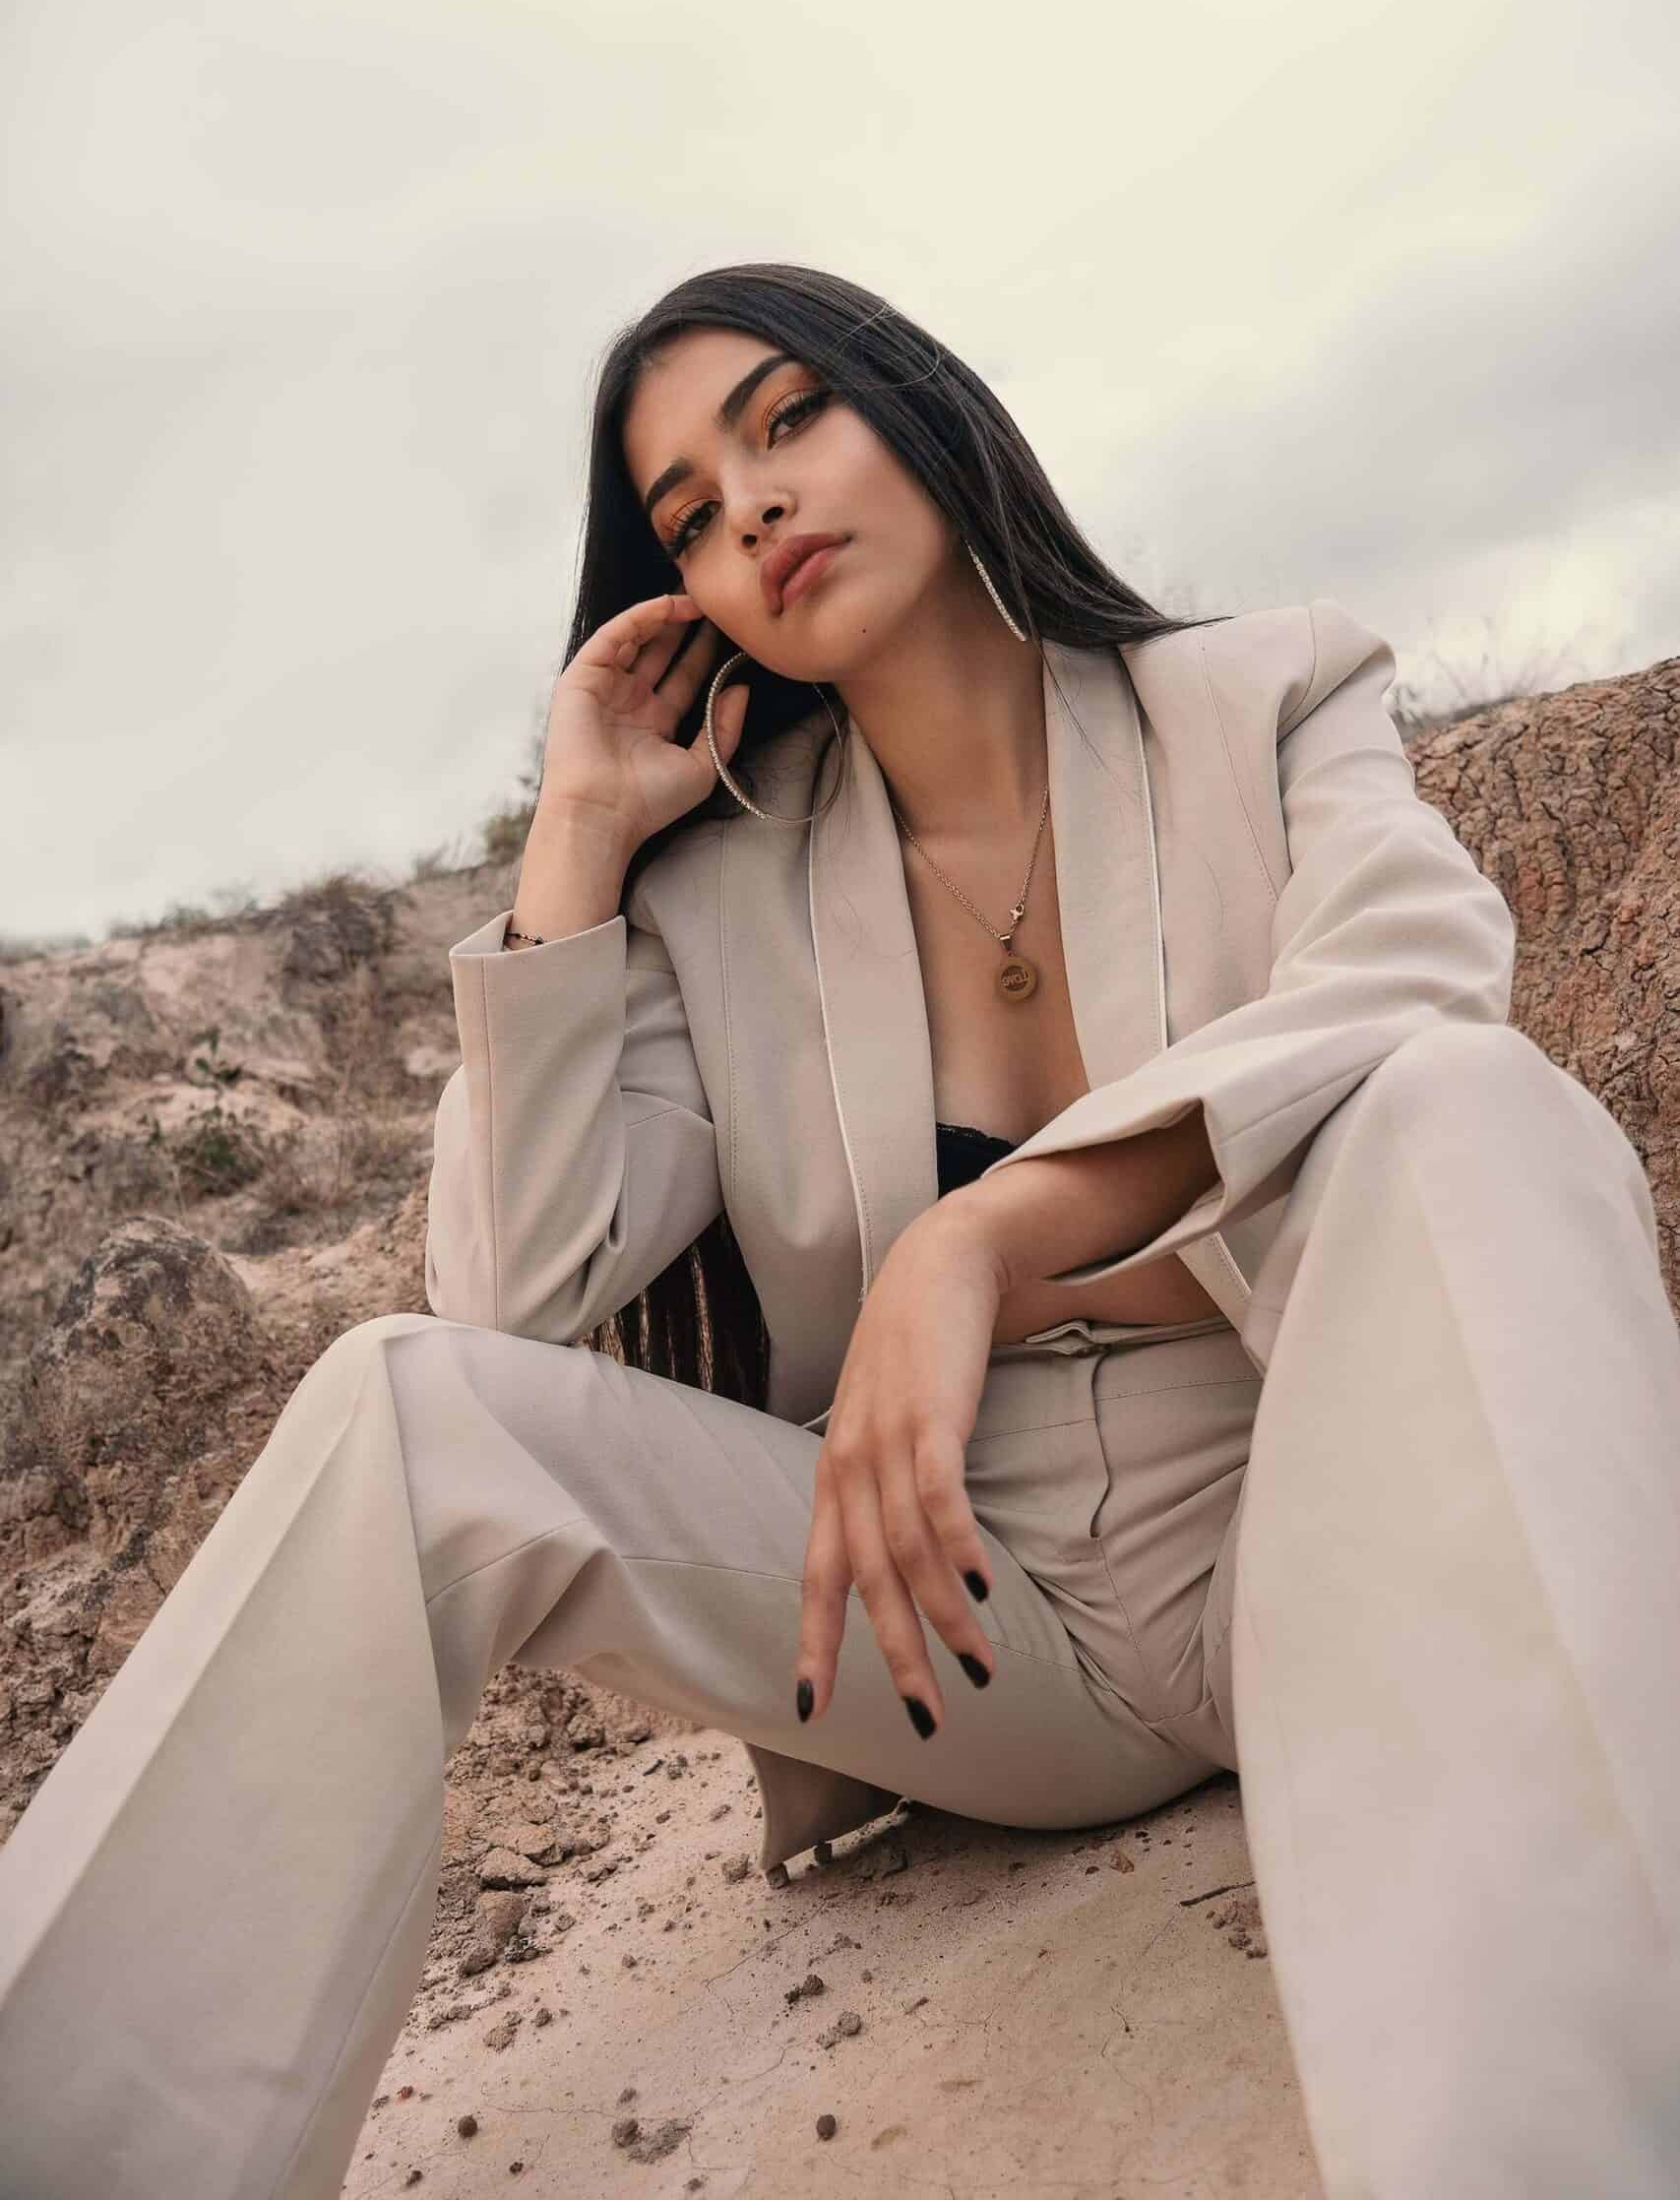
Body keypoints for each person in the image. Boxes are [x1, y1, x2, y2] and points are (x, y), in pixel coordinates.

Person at [2, 262, 1676, 2200]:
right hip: (956, 1626)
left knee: (1462, 1102)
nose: (755, 509)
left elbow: (1410, 980)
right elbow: (511, 1297)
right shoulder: (716, 897)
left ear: (922, 408)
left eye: (787, 419)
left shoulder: (1265, 691)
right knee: (401, 1401)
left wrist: (979, 1239)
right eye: (692, 514)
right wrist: (576, 846)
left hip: (1327, 1526)